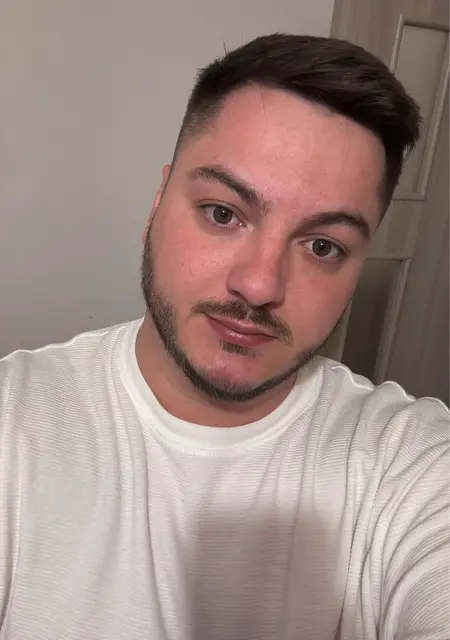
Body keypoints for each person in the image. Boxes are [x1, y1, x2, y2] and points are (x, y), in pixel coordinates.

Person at [0, 33, 448, 640]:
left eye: (322, 246)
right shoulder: (14, 420)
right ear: (158, 203)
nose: (259, 285)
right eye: (223, 213)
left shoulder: (410, 465)